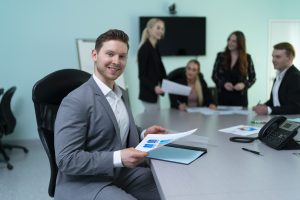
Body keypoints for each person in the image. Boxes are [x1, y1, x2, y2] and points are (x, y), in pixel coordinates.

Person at [54, 29, 166, 200]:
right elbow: (66, 159)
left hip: (119, 173)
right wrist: (118, 157)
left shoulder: (121, 93)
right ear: (94, 55)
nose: (116, 61)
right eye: (110, 54)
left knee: (168, 187)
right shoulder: (75, 101)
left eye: (122, 56)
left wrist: (143, 133)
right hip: (85, 182)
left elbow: (115, 127)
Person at [253, 42, 300, 115]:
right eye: (273, 56)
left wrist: (268, 110)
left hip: (290, 122)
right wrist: (263, 106)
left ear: (290, 58)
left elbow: (296, 107)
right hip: (279, 118)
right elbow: (274, 101)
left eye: (278, 57)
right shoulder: (279, 76)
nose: (273, 60)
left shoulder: (296, 77)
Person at [212, 31, 256, 107]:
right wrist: (223, 84)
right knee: (223, 119)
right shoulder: (220, 56)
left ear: (240, 43)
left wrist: (244, 85)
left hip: (240, 98)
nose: (230, 43)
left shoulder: (247, 57)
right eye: (229, 40)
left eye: (234, 41)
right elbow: (214, 75)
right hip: (223, 97)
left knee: (241, 119)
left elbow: (253, 77)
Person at [137, 18, 167, 112]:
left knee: (154, 121)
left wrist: (166, 84)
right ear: (149, 29)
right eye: (158, 28)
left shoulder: (155, 47)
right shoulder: (144, 49)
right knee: (152, 122)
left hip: (155, 93)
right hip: (148, 93)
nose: (161, 31)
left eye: (162, 28)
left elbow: (160, 70)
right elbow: (141, 76)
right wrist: (154, 87)